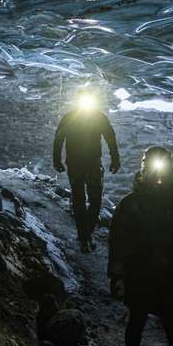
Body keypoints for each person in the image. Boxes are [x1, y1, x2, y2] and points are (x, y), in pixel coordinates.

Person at [107, 146, 173, 346]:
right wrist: (117, 276)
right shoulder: (132, 204)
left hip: (168, 277)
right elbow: (118, 242)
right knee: (138, 323)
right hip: (142, 275)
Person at [53, 91, 120, 253]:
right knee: (88, 200)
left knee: (83, 200)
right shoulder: (97, 117)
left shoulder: (71, 117)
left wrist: (57, 160)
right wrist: (115, 159)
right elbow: (110, 137)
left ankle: (85, 235)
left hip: (80, 164)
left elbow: (59, 139)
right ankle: (86, 235)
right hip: (89, 164)